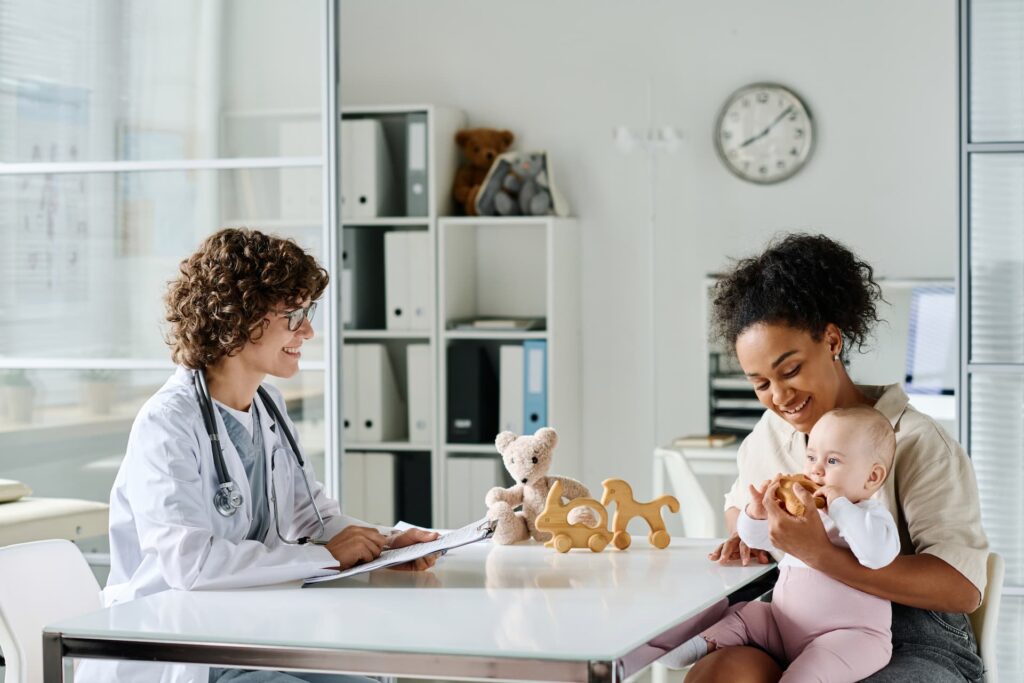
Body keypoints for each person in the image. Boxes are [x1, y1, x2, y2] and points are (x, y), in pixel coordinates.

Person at [79, 228, 439, 683]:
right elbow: (190, 565)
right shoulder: (167, 423)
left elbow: (313, 517)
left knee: (375, 677)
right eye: (294, 314)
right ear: (237, 319)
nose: (308, 330)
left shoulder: (267, 404)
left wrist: (385, 545)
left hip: (249, 632)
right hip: (180, 649)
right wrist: (326, 557)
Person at [685, 233, 988, 683]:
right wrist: (747, 532)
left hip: (914, 640)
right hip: (793, 625)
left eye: (790, 370)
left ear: (830, 341)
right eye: (761, 383)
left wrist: (821, 553)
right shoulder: (772, 434)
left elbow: (960, 588)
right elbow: (738, 509)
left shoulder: (917, 440)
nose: (780, 396)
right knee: (720, 673)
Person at [661, 406, 900, 681]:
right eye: (811, 457)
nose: (816, 470)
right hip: (783, 622)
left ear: (872, 477)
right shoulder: (803, 510)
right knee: (745, 614)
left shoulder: (872, 517)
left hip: (849, 636)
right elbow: (758, 540)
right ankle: (696, 642)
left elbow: (876, 555)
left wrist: (839, 505)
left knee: (810, 671)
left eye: (833, 461)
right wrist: (757, 515)